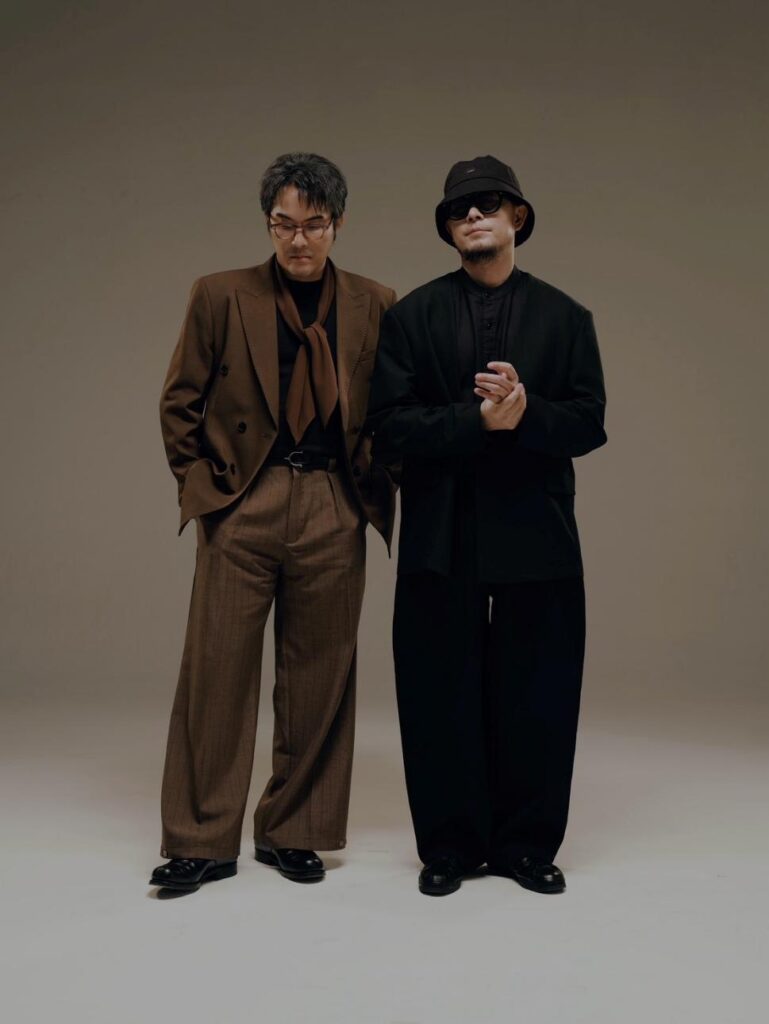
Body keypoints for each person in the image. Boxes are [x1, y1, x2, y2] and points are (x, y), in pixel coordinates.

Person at [150, 152, 397, 894]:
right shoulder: (220, 294)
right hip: (243, 501)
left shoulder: (375, 302)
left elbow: (391, 409)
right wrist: (208, 492)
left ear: (337, 224)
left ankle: (295, 830)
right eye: (282, 225)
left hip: (332, 501)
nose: (297, 241)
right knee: (216, 672)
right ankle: (201, 839)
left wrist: (367, 489)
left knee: (320, 674)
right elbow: (179, 402)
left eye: (312, 225)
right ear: (268, 224)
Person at [367, 155, 607, 896]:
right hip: (441, 531)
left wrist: (526, 413)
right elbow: (387, 426)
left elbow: (589, 422)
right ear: (448, 229)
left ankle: (527, 846)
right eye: (459, 209)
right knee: (437, 688)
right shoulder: (411, 317)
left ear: (517, 218)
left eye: (489, 204)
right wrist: (475, 421)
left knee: (540, 689)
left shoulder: (566, 317)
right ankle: (448, 846)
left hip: (536, 529)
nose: (473, 215)